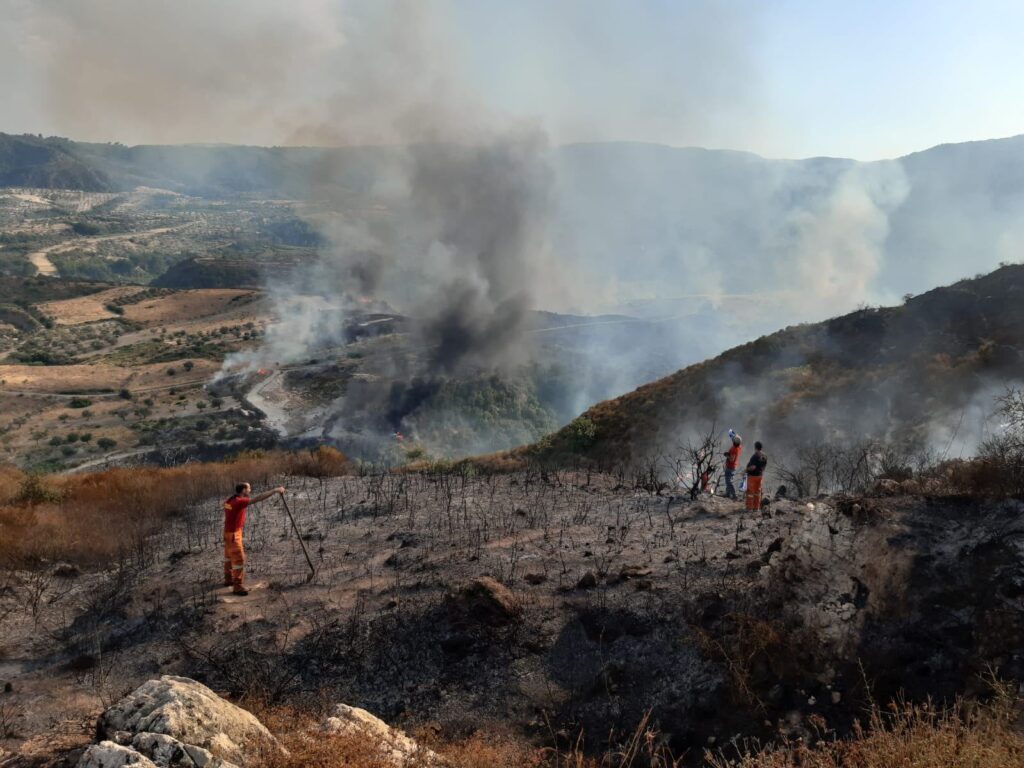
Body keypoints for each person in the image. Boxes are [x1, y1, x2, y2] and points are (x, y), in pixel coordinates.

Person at [223, 482, 285, 595]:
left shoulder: (229, 500)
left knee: (228, 557)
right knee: (239, 560)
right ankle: (237, 587)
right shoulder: (239, 501)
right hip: (233, 535)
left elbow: (225, 506)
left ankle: (228, 579)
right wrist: (275, 490)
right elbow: (259, 498)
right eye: (249, 488)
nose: (250, 490)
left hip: (227, 533)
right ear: (243, 490)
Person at [744, 441, 768, 512]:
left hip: (752, 476)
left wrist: (746, 470)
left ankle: (749, 508)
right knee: (757, 492)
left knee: (750, 493)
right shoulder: (764, 456)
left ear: (755, 447)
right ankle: (756, 508)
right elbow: (763, 468)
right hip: (759, 476)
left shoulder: (755, 456)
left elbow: (753, 467)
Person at [723, 431, 742, 500]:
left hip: (730, 467)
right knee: (727, 481)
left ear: (734, 442)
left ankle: (734, 495)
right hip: (732, 466)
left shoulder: (734, 449)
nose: (732, 440)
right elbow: (734, 435)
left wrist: (727, 455)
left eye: (733, 440)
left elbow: (731, 459)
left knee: (728, 481)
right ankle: (727, 493)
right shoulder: (739, 446)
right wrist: (732, 433)